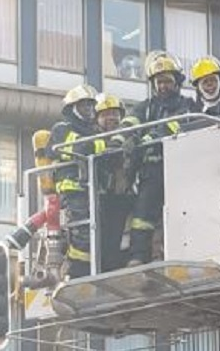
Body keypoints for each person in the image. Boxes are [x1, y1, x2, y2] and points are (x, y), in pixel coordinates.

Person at [122, 50, 197, 265]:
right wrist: (125, 139)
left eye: (167, 81)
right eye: (159, 82)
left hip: (179, 170)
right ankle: (138, 256)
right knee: (142, 215)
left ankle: (174, 255)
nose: (163, 86)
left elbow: (179, 124)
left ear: (177, 82)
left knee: (178, 213)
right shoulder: (145, 108)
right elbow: (130, 123)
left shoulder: (187, 105)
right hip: (151, 171)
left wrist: (151, 136)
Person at [47, 84, 106, 279]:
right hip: (72, 188)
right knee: (81, 234)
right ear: (73, 108)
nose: (89, 110)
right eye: (84, 105)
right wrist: (102, 144)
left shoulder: (94, 130)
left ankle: (88, 270)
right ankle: (75, 272)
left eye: (91, 105)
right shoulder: (62, 129)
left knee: (96, 233)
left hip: (93, 189)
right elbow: (79, 147)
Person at [93, 93, 134, 271]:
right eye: (105, 114)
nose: (111, 118)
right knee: (104, 238)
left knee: (121, 237)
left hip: (123, 196)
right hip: (100, 198)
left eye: (115, 114)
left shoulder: (128, 138)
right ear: (97, 119)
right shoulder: (92, 139)